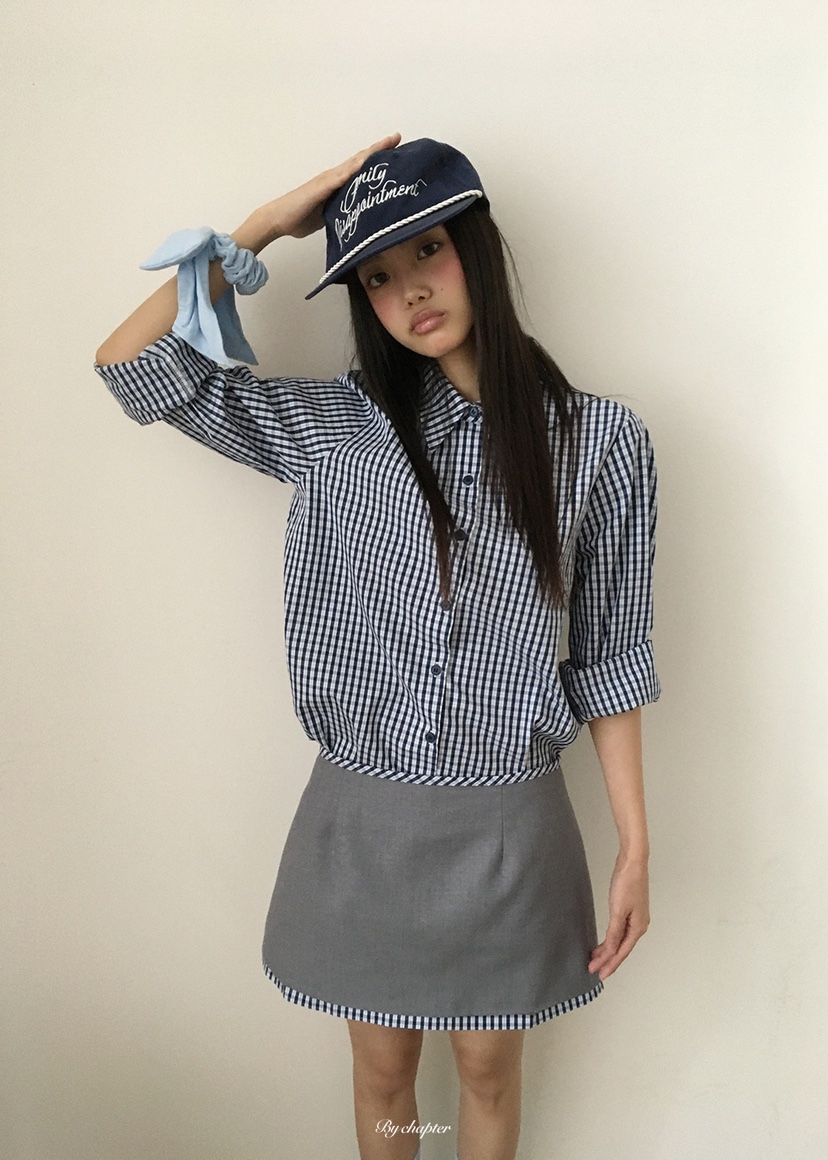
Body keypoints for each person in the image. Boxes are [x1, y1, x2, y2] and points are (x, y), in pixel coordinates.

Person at [94, 134, 660, 1160]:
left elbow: (609, 657)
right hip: (363, 820)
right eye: (378, 278)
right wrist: (266, 224)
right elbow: (129, 368)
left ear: (476, 246)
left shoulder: (600, 441)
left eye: (428, 252)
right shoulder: (339, 428)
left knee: (487, 1069)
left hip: (511, 822)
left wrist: (635, 845)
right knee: (384, 1072)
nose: (410, 293)